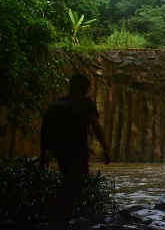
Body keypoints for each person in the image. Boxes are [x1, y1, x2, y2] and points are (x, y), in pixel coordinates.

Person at [39, 74, 111, 221]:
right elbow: (96, 127)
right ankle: (65, 215)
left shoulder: (55, 105)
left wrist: (43, 153)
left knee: (67, 178)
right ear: (85, 88)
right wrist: (106, 149)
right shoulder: (85, 104)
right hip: (78, 150)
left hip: (60, 150)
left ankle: (60, 214)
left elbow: (45, 131)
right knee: (77, 181)